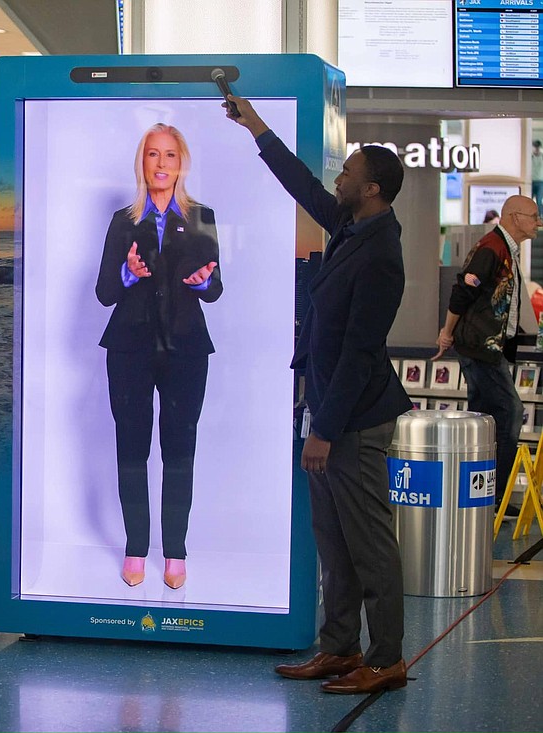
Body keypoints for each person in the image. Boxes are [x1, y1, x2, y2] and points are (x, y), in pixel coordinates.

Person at [225, 95, 412, 694]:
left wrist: (325, 430)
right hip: (328, 407)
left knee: (368, 546)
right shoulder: (354, 227)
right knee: (333, 540)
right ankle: (338, 648)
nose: (340, 178)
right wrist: (257, 127)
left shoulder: (381, 254)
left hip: (351, 419)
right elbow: (304, 186)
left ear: (374, 189)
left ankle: (386, 660)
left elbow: (361, 354)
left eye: (350, 173)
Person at [95, 123, 222, 591]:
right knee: (132, 449)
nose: (162, 163)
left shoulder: (202, 216)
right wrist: (128, 276)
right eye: (153, 154)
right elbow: (104, 292)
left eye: (170, 155)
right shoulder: (122, 221)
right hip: (129, 348)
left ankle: (174, 553)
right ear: (142, 162)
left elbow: (215, 287)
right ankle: (135, 548)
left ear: (181, 163)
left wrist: (203, 282)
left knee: (179, 450)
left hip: (186, 349)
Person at [435, 195, 541, 511]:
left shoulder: (505, 249)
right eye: (533, 216)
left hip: (488, 346)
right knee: (509, 411)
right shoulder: (492, 248)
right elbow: (463, 290)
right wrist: (447, 332)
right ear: (514, 216)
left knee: (484, 418)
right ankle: (496, 495)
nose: (538, 222)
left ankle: (481, 493)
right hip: (480, 346)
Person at [532, 140, 542, 212]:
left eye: (537, 147)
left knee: (539, 201)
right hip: (531, 181)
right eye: (535, 147)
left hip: (541, 181)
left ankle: (540, 217)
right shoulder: (530, 157)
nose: (536, 148)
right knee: (529, 201)